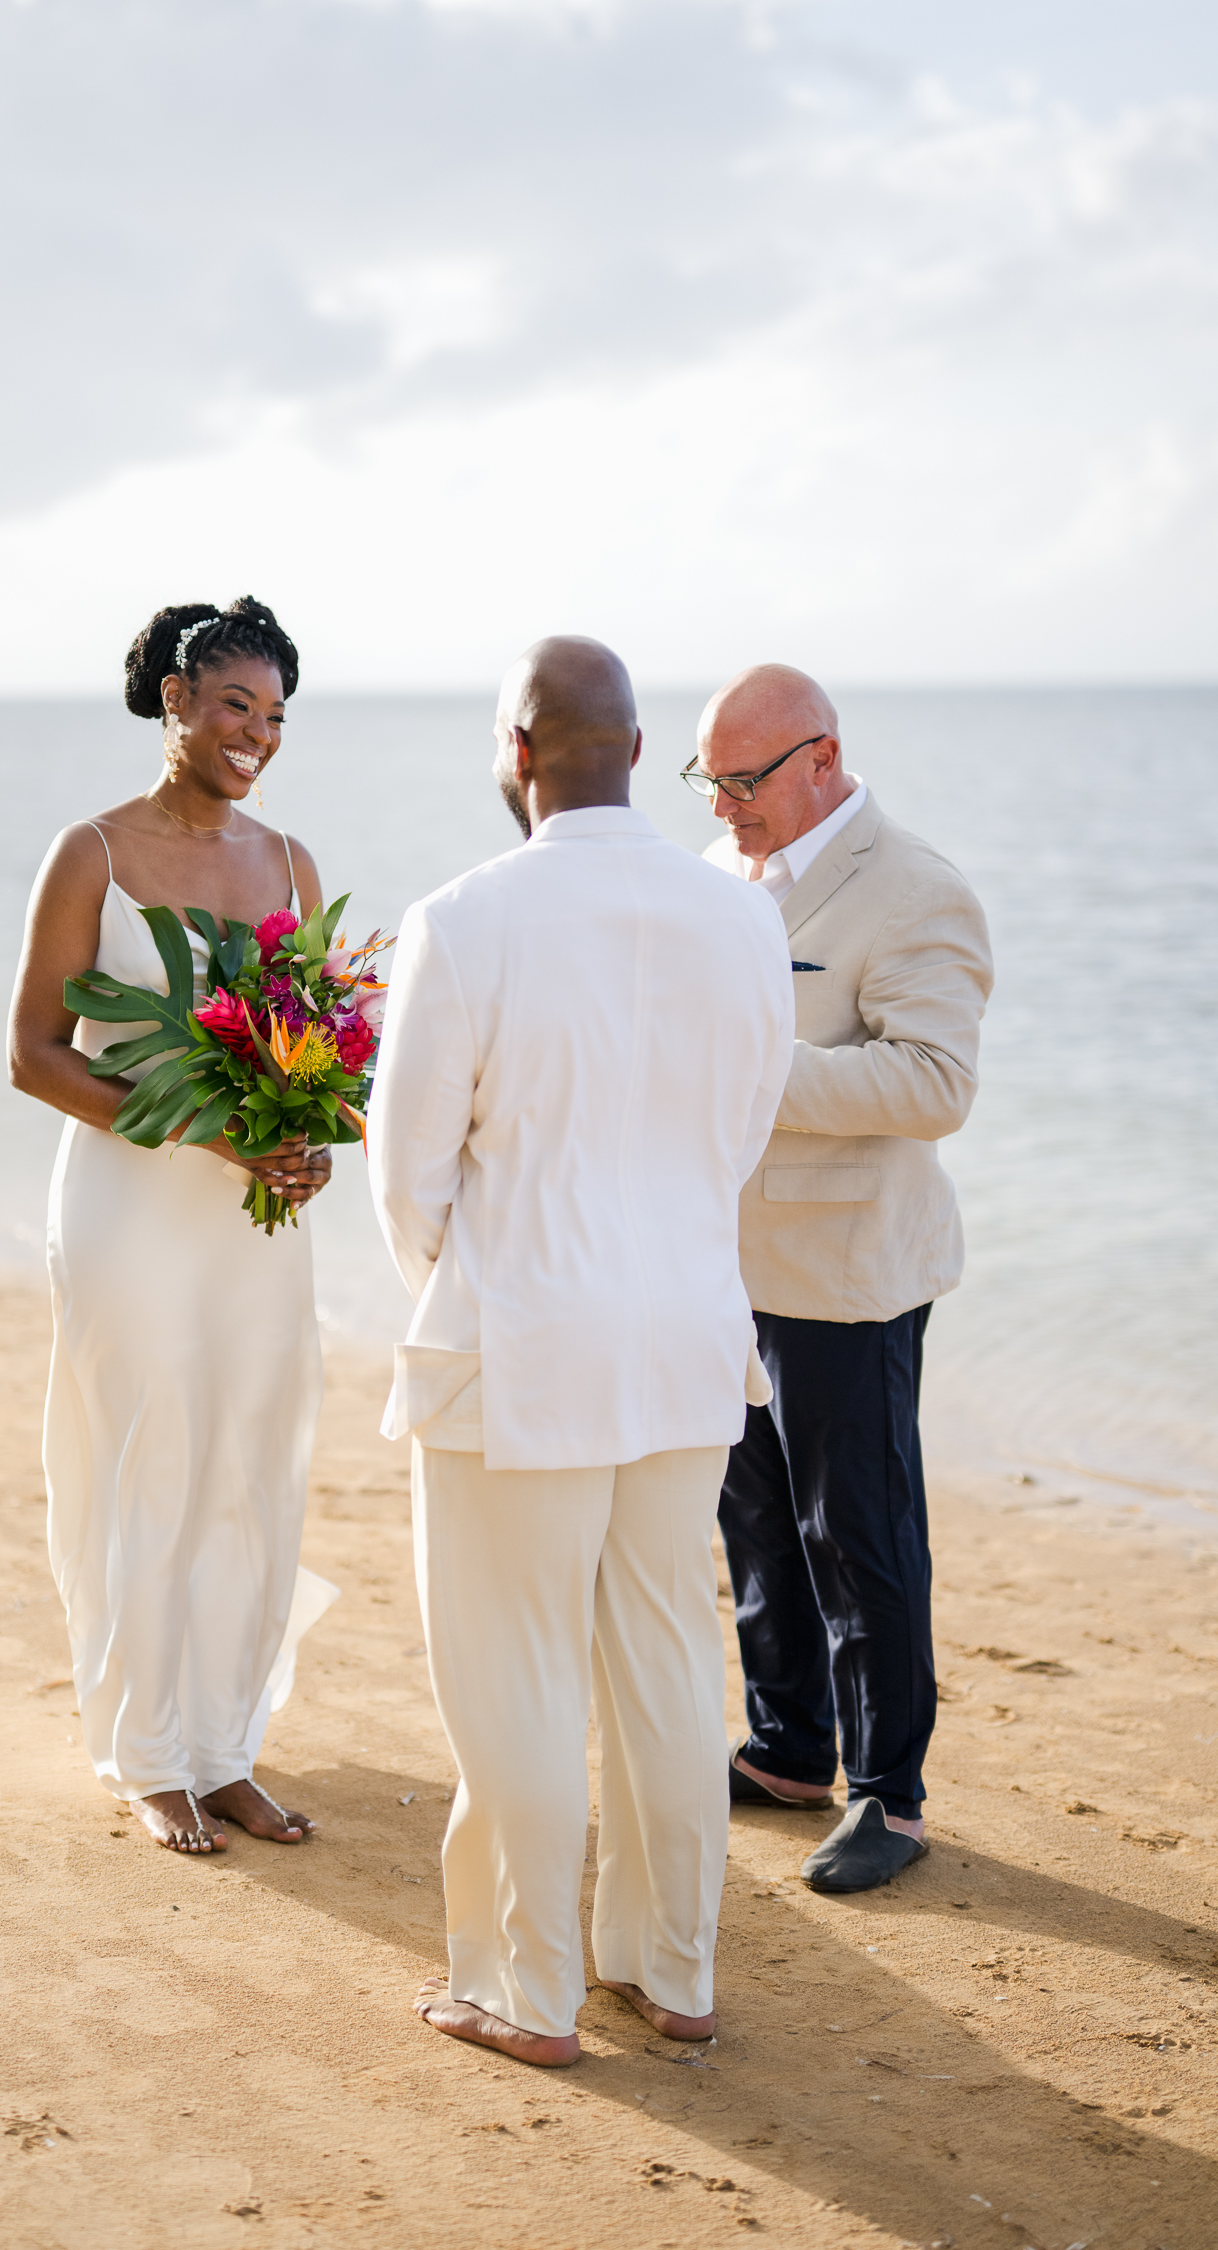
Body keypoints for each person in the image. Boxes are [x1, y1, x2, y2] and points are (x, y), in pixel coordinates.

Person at [369, 637, 794, 2067]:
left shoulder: (463, 918)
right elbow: (739, 1133)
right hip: (684, 1338)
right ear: (629, 747)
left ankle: (522, 1986)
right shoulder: (737, 917)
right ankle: (671, 1968)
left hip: (521, 1343)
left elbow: (406, 1175)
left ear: (519, 749)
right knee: (672, 1659)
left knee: (517, 1673)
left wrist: (486, 1277)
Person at [7, 597, 336, 1856]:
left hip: (253, 1218)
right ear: (175, 704)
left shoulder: (294, 865)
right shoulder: (90, 851)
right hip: (129, 1207)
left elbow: (307, 1045)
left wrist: (304, 1141)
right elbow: (34, 1056)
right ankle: (148, 1755)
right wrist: (205, 1131)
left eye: (274, 714)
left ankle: (224, 1746)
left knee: (251, 1462)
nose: (255, 733)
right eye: (235, 705)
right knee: (150, 1457)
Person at [683, 663, 993, 1894]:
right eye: (708, 780)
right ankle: (788, 1749)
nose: (724, 807)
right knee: (751, 1519)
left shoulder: (918, 891)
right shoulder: (718, 878)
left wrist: (746, 1070)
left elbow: (936, 1084)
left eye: (744, 781)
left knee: (857, 1532)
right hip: (722, 1264)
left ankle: (889, 1794)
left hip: (853, 1270)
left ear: (822, 758)